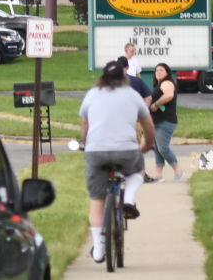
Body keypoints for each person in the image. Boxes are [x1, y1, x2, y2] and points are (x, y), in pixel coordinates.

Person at [78, 58, 154, 264]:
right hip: (126, 151)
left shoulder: (92, 94)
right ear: (124, 76)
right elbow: (148, 124)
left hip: (97, 152)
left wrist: (85, 144)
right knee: (138, 170)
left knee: (97, 199)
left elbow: (85, 124)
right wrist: (147, 145)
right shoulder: (132, 95)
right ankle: (129, 199)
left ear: (103, 77)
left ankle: (99, 250)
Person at [146, 63, 184, 182]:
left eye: (161, 70)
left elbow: (169, 95)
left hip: (165, 121)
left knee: (163, 148)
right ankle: (159, 175)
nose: (158, 72)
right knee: (157, 148)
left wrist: (156, 104)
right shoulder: (158, 85)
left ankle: (179, 172)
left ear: (167, 73)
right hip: (156, 122)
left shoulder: (167, 83)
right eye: (157, 70)